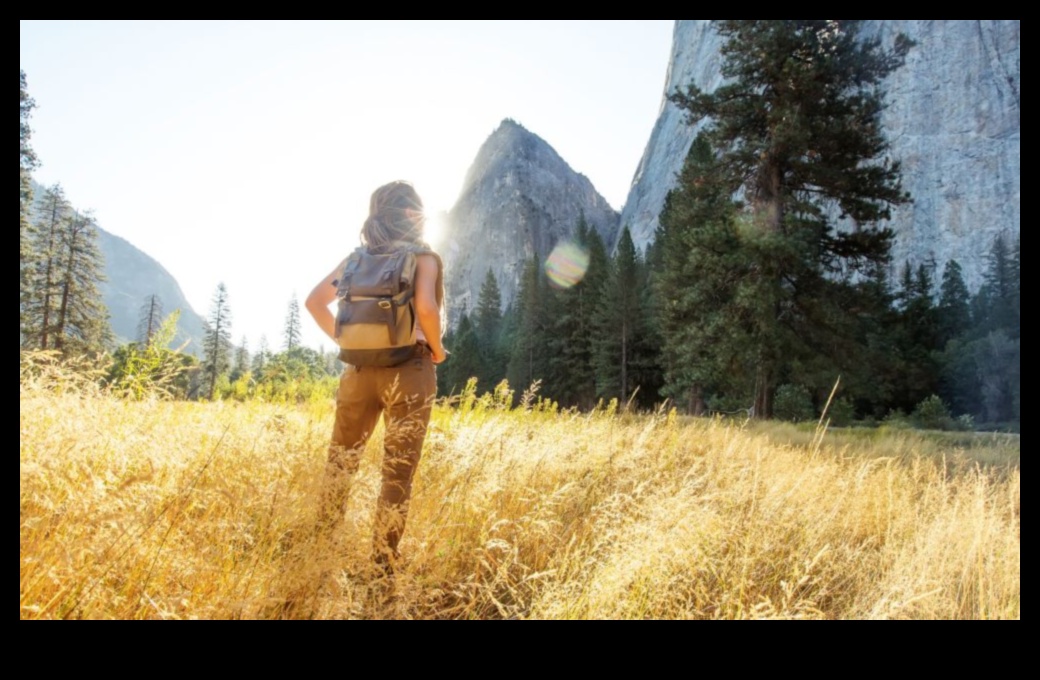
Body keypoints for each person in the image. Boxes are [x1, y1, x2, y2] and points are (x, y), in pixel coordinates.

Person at [305, 180, 447, 576]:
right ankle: (381, 565)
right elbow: (427, 308)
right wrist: (436, 349)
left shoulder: (354, 261)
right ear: (412, 214)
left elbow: (314, 301)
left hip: (357, 371)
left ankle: (318, 549)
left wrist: (347, 338)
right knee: (398, 470)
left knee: (340, 463)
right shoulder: (423, 257)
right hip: (410, 369)